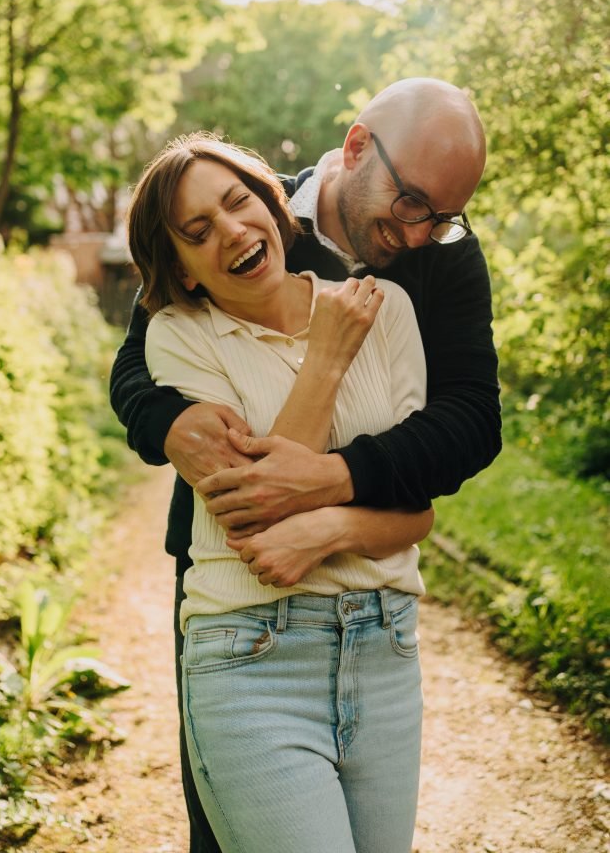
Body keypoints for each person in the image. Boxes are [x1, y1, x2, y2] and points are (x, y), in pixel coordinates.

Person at [110, 78, 502, 852]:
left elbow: (469, 422)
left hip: (372, 621)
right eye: (412, 202)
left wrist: (333, 485)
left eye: (445, 215)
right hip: (242, 599)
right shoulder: (240, 209)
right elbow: (138, 365)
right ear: (356, 147)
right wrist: (165, 420)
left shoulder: (441, 260)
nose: (421, 233)